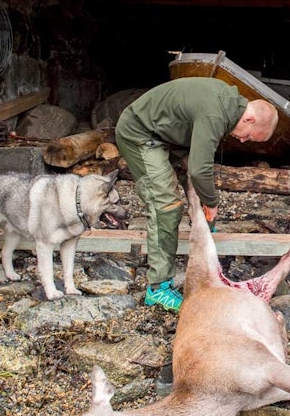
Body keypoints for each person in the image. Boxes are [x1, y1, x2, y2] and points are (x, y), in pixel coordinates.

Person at [115, 77, 279, 312]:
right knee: (166, 205)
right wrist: (212, 203)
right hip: (140, 133)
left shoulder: (229, 106)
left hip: (167, 134)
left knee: (198, 188)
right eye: (249, 136)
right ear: (249, 119)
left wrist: (204, 202)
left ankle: (204, 244)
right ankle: (158, 288)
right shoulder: (216, 113)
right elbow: (200, 168)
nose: (243, 140)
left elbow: (199, 167)